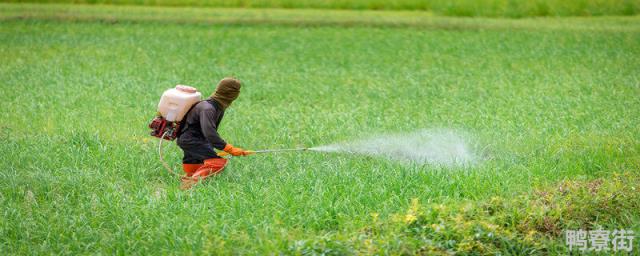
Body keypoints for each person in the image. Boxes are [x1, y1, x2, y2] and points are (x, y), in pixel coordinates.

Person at [176, 77, 250, 186]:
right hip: (192, 141)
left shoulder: (218, 106)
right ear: (231, 94)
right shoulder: (208, 108)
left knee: (195, 165)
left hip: (192, 140)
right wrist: (229, 148)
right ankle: (189, 185)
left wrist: (213, 148)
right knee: (217, 163)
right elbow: (210, 133)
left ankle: (187, 186)